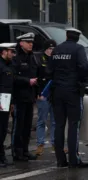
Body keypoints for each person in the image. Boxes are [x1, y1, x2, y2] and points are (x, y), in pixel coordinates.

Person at [47, 28, 88, 168]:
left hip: (57, 91)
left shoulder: (57, 49)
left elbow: (49, 70)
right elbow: (84, 67)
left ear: (66, 36)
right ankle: (73, 159)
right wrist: (80, 80)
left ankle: (60, 160)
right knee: (73, 125)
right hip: (72, 91)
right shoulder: (78, 49)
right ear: (77, 38)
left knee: (59, 125)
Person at [35, 40, 68, 156]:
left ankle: (56, 143)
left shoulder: (57, 60)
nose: (51, 51)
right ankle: (40, 144)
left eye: (53, 49)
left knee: (55, 120)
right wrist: (38, 92)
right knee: (42, 120)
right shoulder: (39, 60)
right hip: (44, 93)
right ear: (45, 49)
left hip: (55, 94)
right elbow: (37, 78)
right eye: (49, 49)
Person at [12, 33, 39, 162]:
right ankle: (17, 152)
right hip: (19, 96)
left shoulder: (32, 56)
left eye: (32, 42)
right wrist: (27, 81)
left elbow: (36, 73)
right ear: (21, 43)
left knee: (27, 125)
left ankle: (25, 150)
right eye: (28, 42)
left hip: (30, 96)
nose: (31, 44)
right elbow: (12, 77)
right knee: (19, 125)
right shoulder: (16, 57)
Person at [0, 43, 16, 167]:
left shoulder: (9, 65)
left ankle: (2, 156)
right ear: (3, 52)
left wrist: (11, 102)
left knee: (3, 129)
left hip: (6, 100)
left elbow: (10, 86)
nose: (12, 53)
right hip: (0, 100)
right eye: (10, 51)